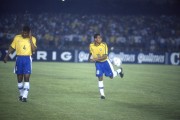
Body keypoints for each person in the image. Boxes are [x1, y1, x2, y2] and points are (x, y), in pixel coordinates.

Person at [3, 25, 37, 102]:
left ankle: (25, 97)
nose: (24, 35)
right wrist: (6, 56)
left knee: (27, 77)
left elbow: (34, 50)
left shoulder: (33, 39)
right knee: (19, 79)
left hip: (27, 58)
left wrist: (31, 39)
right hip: (19, 59)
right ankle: (21, 95)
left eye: (26, 33)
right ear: (21, 31)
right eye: (23, 33)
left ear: (29, 33)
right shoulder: (17, 37)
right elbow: (12, 47)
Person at [88, 33, 124, 99]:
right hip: (98, 64)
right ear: (95, 39)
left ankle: (120, 70)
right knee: (100, 77)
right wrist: (89, 58)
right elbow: (90, 53)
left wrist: (95, 59)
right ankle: (102, 95)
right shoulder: (91, 45)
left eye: (101, 38)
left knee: (111, 76)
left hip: (106, 62)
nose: (100, 39)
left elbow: (105, 56)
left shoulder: (104, 45)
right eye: (99, 38)